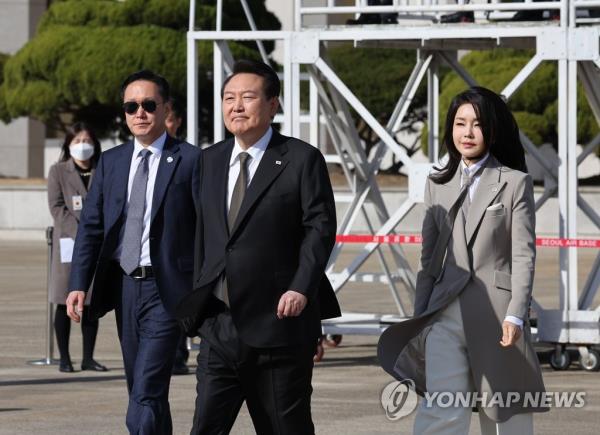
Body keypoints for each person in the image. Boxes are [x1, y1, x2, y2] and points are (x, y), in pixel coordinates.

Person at [176, 59, 341, 434]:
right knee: (205, 427)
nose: (236, 106)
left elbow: (319, 229)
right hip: (220, 325)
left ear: (272, 104)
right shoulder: (210, 160)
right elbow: (206, 236)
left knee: (285, 427)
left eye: (248, 97)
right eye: (228, 98)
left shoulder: (301, 159)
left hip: (278, 324)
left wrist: (301, 286)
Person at [378, 87, 547, 434]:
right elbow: (429, 261)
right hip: (445, 313)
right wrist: (420, 317)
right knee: (443, 410)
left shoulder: (514, 182)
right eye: (459, 123)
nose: (467, 133)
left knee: (504, 417)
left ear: (492, 130)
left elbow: (523, 254)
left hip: (499, 315)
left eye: (477, 124)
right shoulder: (437, 183)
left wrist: (516, 313)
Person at [66, 70, 200, 434]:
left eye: (148, 105)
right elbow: (91, 228)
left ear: (165, 108)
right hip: (124, 287)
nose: (139, 113)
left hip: (167, 291)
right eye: (130, 106)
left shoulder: (190, 160)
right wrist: (78, 283)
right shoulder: (111, 162)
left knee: (146, 388)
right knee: (143, 390)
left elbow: (206, 229)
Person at [47, 122, 107, 373]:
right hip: (68, 244)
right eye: (77, 141)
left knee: (91, 303)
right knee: (64, 301)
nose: (83, 146)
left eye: (87, 140)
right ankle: (65, 358)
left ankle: (88, 358)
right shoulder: (58, 171)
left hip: (96, 245)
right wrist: (82, 232)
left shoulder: (103, 169)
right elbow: (57, 207)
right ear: (68, 145)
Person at [164, 97, 191, 376]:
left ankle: (179, 355)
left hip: (180, 253)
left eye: (170, 120)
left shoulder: (189, 156)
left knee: (179, 310)